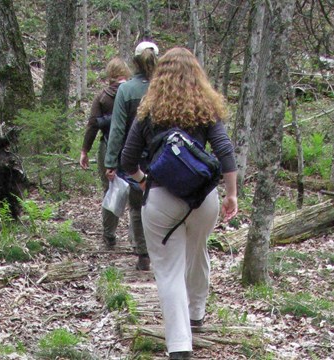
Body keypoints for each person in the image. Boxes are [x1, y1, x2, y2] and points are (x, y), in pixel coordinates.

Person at [120, 47, 238, 360]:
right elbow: (225, 151)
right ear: (197, 76)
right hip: (203, 198)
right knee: (198, 251)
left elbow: (127, 160)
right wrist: (231, 193)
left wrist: (144, 182)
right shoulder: (205, 109)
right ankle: (197, 313)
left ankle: (180, 347)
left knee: (169, 271)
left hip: (160, 200)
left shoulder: (148, 112)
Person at [104, 41, 159, 271]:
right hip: (162, 157)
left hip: (133, 158)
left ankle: (144, 254)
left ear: (134, 62)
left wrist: (111, 162)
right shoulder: (164, 88)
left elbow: (117, 129)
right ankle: (161, 253)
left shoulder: (126, 90)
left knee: (137, 207)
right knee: (161, 205)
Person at [80, 58, 131, 248]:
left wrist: (85, 150)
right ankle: (138, 240)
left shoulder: (103, 97)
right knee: (137, 190)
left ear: (109, 75)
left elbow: (93, 125)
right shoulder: (136, 93)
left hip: (108, 146)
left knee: (111, 189)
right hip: (134, 148)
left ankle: (109, 234)